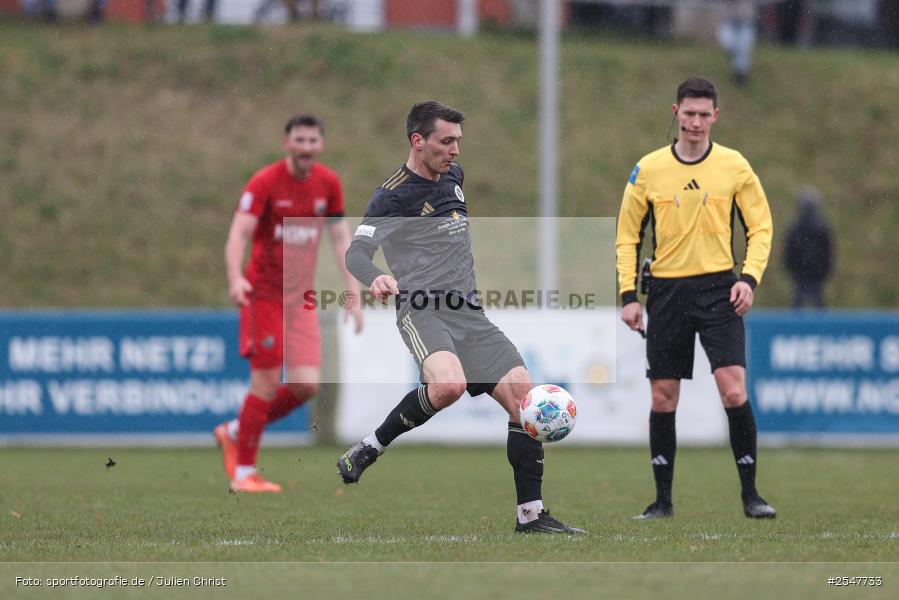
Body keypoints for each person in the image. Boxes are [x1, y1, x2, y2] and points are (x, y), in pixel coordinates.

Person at [337, 101, 584, 534]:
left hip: (469, 313)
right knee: (448, 385)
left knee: (522, 397)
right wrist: (375, 278)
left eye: (458, 142)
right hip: (422, 310)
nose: (455, 151)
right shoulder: (391, 195)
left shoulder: (454, 176)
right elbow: (356, 252)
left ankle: (531, 516)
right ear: (418, 141)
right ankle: (370, 447)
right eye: (446, 141)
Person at [616, 77, 776, 520]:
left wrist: (749, 278)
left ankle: (751, 495)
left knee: (733, 387)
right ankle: (662, 501)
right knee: (664, 397)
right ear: (676, 112)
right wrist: (629, 295)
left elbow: (760, 227)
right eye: (689, 113)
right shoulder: (647, 169)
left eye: (704, 114)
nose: (696, 122)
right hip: (666, 292)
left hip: (719, 290)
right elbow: (628, 236)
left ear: (715, 117)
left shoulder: (734, 166)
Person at [218, 114, 363, 493]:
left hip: (301, 299)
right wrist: (235, 279)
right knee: (265, 383)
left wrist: (353, 290)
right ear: (287, 143)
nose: (305, 147)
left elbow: (339, 238)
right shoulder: (265, 182)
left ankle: (235, 430)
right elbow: (239, 234)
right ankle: (244, 473)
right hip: (262, 294)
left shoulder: (327, 183)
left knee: (306, 385)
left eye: (312, 140)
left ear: (321, 145)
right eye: (299, 140)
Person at [784, 188, 833, 309]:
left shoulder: (798, 229)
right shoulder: (798, 229)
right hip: (805, 274)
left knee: (808, 303)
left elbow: (827, 252)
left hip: (808, 274)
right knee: (810, 303)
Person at [717, 0, 757, 86]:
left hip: (745, 22)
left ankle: (740, 74)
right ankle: (737, 67)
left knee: (743, 50)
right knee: (729, 45)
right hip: (728, 21)